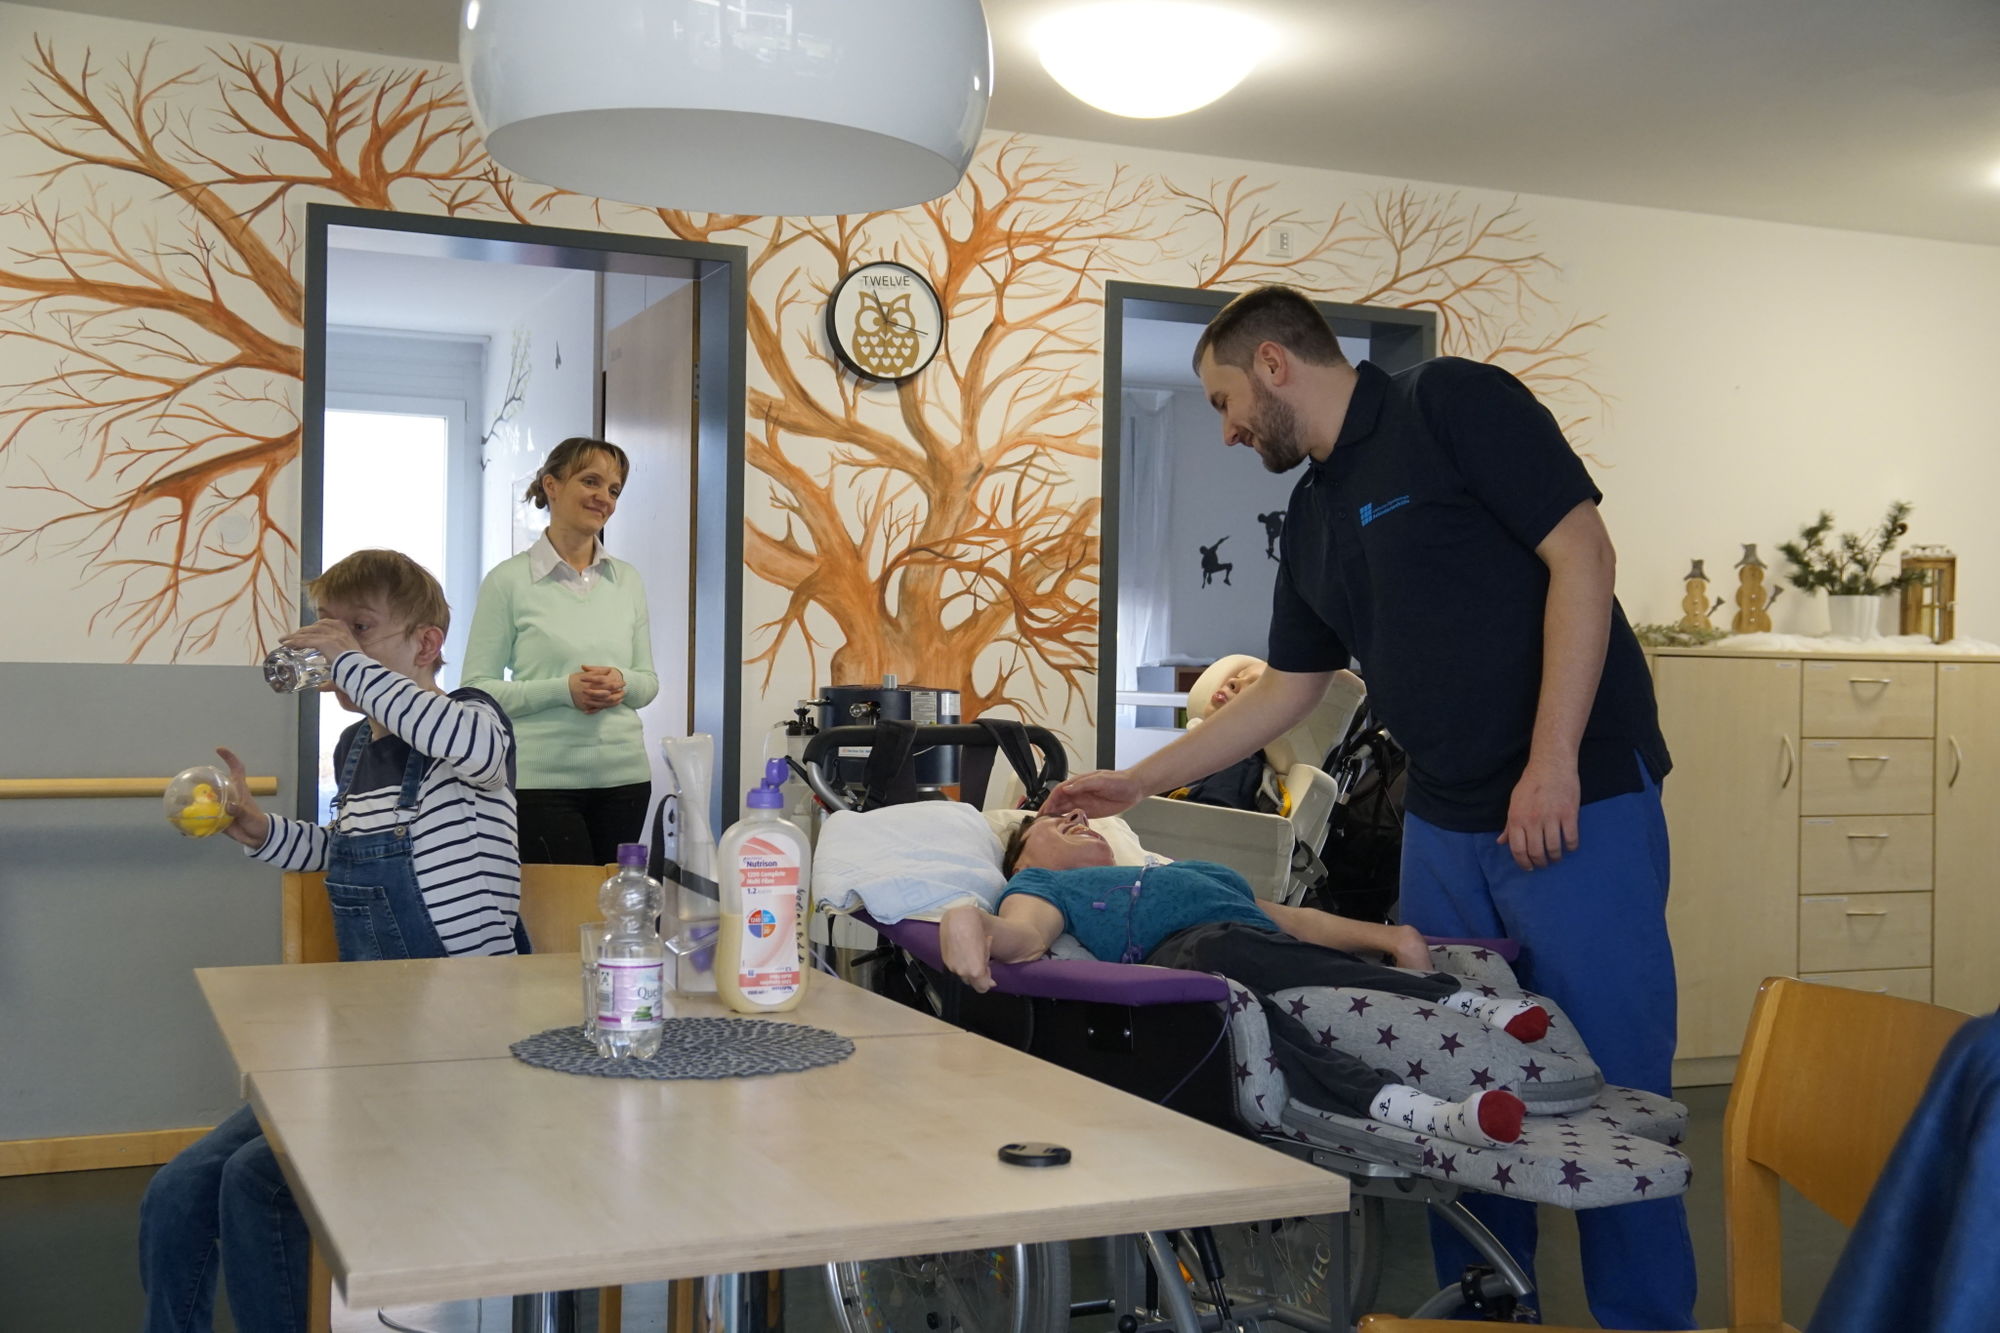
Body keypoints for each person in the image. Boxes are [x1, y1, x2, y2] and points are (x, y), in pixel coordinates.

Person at [1045, 285, 1689, 1330]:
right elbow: (1286, 688)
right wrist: (1137, 781)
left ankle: (1648, 1319)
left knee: (1614, 1091)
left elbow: (1584, 553)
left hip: (1575, 796)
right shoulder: (1311, 516)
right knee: (1458, 1071)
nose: (1225, 430)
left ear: (1272, 363)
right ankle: (1488, 1313)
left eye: (1222, 402)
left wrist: (1552, 758)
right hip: (1442, 819)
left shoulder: (1450, 404)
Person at [140, 548, 523, 1333]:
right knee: (176, 1189)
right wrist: (260, 830)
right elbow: (339, 848)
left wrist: (351, 661)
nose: (334, 646)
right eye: (329, 629)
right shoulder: (354, 751)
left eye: (360, 628)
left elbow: (470, 747)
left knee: (256, 1181)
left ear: (427, 643)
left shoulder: (473, 723)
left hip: (465, 1048)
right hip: (374, 1044)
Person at [939, 811, 1546, 1149]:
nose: (1077, 817)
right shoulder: (1043, 883)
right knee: (1236, 983)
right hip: (1188, 963)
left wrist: (1394, 938)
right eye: (1053, 821)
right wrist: (970, 921)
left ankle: (1452, 1037)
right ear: (1022, 857)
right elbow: (1026, 936)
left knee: (1260, 968)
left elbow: (1294, 920)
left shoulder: (1181, 871)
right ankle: (1422, 1106)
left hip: (1259, 949)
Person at [463, 436, 660, 865]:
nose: (604, 498)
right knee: (561, 907)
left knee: (614, 906)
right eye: (591, 481)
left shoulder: (627, 580)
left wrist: (621, 682)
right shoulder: (507, 581)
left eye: (614, 490)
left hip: (625, 780)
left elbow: (648, 683)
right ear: (551, 485)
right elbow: (477, 691)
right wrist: (563, 690)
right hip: (540, 784)